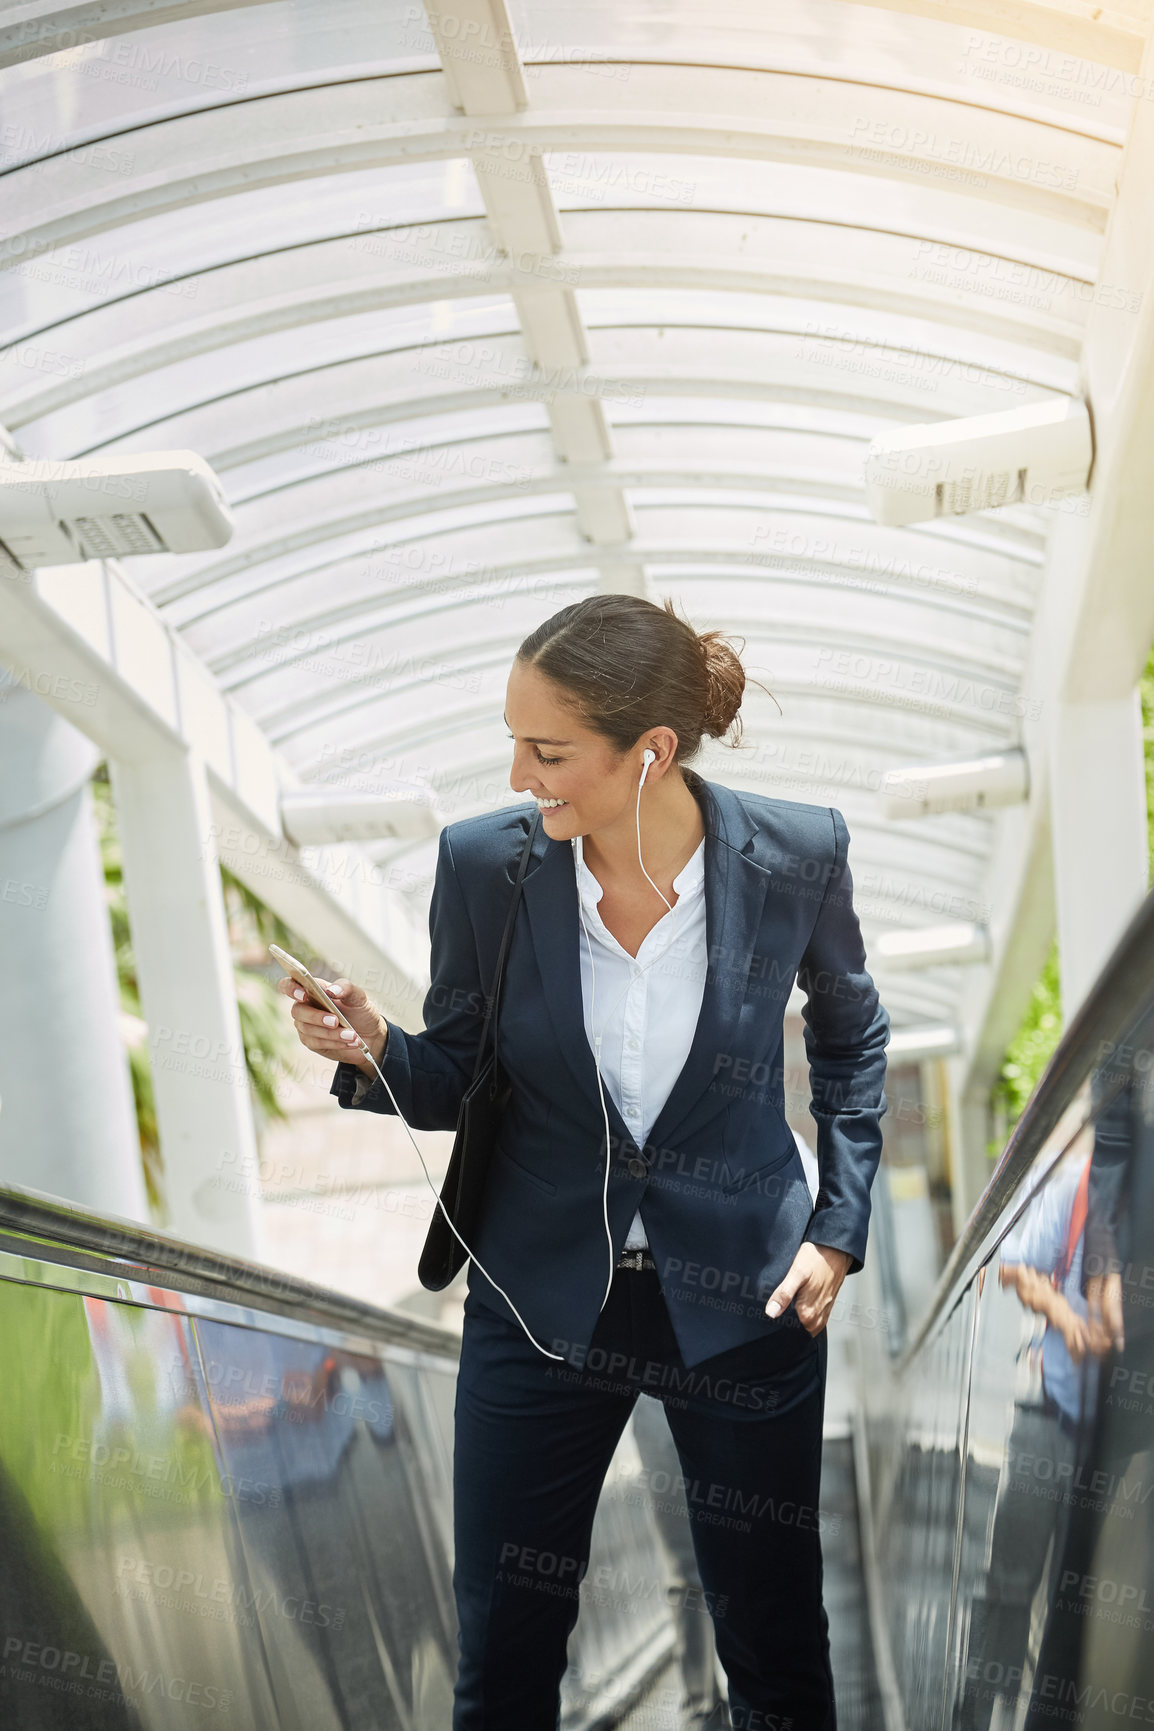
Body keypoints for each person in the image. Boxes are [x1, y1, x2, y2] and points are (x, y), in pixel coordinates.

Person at [279, 593, 891, 1730]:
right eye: (513, 742)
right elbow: (457, 1072)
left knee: (773, 1646)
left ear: (647, 753)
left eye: (547, 750)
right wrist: (374, 1049)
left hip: (748, 1302)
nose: (519, 775)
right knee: (504, 1657)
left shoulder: (796, 855)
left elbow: (853, 1039)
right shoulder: (481, 867)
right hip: (539, 1301)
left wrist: (837, 1231)